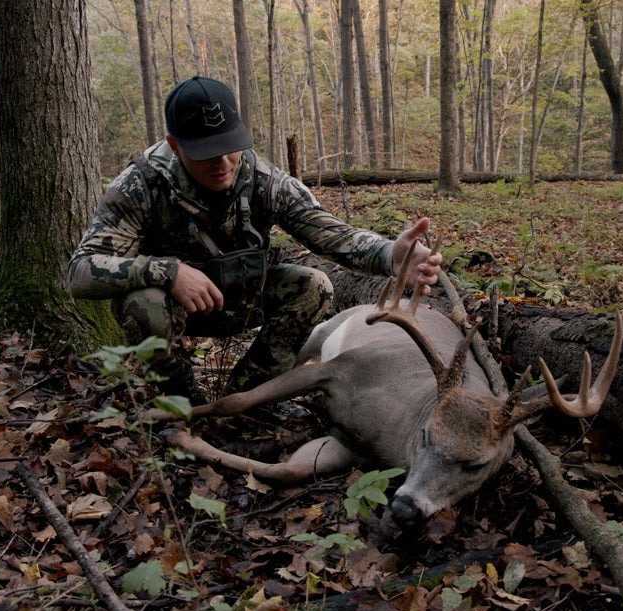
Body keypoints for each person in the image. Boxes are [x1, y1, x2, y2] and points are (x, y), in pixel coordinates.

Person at [68, 76, 441, 403]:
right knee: (142, 302)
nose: (223, 163)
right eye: (206, 153)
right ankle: (184, 400)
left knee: (314, 285)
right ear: (176, 145)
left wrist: (390, 254)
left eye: (229, 146)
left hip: (244, 298)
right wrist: (169, 272)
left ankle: (248, 395)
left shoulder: (263, 178)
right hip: (176, 311)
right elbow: (82, 271)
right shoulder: (140, 185)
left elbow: (331, 233)